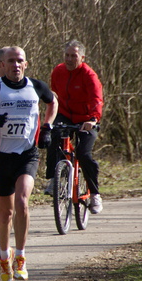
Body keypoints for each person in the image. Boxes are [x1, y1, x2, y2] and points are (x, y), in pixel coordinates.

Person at [0, 46, 57, 281]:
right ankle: (4, 256)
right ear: (1, 64)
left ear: (26, 63)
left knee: (22, 202)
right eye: (11, 61)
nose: (16, 65)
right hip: (1, 157)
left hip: (27, 155)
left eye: (20, 60)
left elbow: (53, 102)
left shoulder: (36, 86)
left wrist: (47, 127)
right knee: (6, 213)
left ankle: (20, 256)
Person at [44, 40, 104, 214]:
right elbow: (54, 95)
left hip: (86, 118)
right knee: (51, 137)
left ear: (82, 58)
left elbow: (96, 99)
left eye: (74, 56)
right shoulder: (58, 71)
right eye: (67, 55)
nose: (69, 59)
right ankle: (54, 179)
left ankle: (95, 194)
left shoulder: (89, 75)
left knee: (84, 154)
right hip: (64, 114)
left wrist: (93, 119)